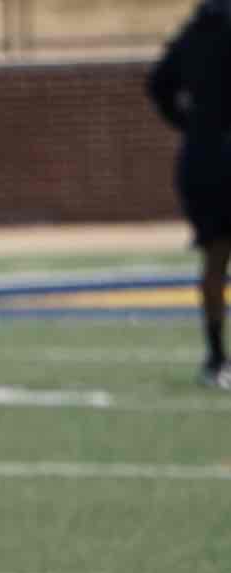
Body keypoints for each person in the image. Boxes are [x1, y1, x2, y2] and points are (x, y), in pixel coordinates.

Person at [147, 0, 231, 389]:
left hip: (201, 156)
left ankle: (216, 357)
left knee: (214, 257)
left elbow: (157, 83)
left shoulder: (195, 31)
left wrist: (189, 123)